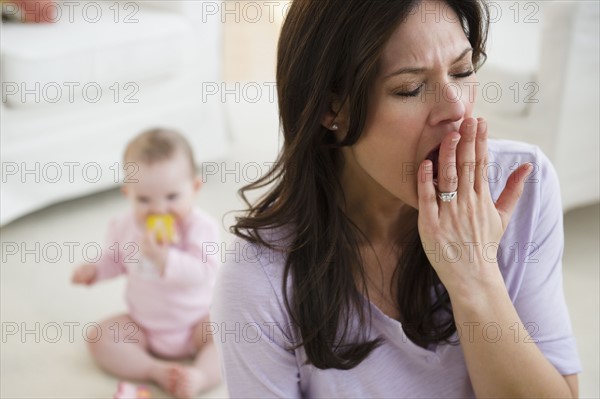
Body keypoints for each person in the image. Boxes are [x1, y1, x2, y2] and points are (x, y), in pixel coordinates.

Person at [210, 0, 582, 397]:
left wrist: (476, 279)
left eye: (462, 70)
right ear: (331, 106)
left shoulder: (522, 186)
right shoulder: (259, 279)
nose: (455, 107)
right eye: (410, 88)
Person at [71, 128, 221, 398]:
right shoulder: (123, 225)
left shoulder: (201, 227)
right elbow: (115, 260)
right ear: (127, 193)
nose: (158, 209)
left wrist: (165, 259)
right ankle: (155, 370)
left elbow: (204, 272)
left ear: (195, 188)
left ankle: (199, 376)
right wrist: (95, 270)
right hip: (144, 326)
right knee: (99, 337)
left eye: (172, 197)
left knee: (233, 333)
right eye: (143, 199)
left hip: (196, 323)